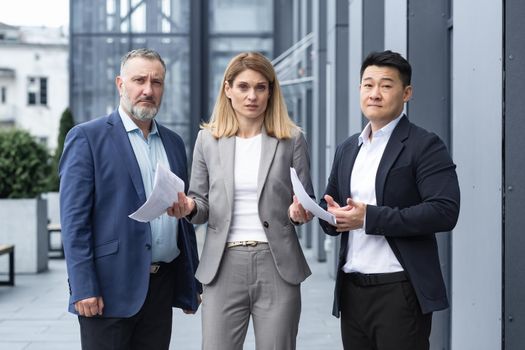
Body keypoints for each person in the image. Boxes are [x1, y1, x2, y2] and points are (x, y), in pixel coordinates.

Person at [168, 51, 314, 350]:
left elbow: (305, 200)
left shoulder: (291, 139)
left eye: (261, 87)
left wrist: (299, 212)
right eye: (244, 87)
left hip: (277, 265)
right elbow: (200, 203)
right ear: (228, 89)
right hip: (223, 265)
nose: (252, 96)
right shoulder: (208, 141)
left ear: (271, 92)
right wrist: (190, 207)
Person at [59, 48, 201, 350]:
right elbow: (74, 221)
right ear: (121, 84)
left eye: (157, 82)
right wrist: (83, 286)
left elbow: (183, 224)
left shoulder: (174, 144)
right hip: (108, 289)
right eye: (139, 80)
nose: (148, 90)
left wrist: (192, 281)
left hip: (160, 288)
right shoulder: (87, 138)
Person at [319, 50, 460, 350]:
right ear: (360, 89)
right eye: (368, 85)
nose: (375, 93)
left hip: (400, 291)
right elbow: (330, 206)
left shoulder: (425, 145)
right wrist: (328, 215)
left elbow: (444, 211)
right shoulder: (348, 149)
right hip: (352, 292)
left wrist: (369, 218)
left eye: (386, 85)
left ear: (406, 93)